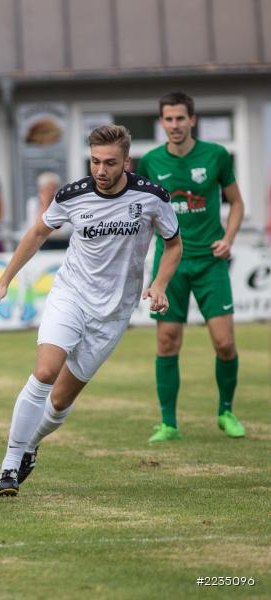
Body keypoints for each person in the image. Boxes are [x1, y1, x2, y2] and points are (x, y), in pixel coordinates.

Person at [0, 125, 181, 496]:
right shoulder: (71, 195)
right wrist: (4, 281)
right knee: (44, 372)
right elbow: (36, 234)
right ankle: (9, 465)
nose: (100, 170)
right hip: (71, 295)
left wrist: (159, 284)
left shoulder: (152, 197)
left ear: (126, 161)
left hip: (113, 312)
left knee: (59, 402)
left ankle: (30, 445)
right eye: (94, 161)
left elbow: (174, 245)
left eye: (110, 163)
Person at [136, 92, 247, 442]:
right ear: (161, 122)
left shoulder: (215, 156)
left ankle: (226, 411)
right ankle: (168, 423)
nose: (174, 125)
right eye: (168, 119)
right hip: (171, 264)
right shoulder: (150, 161)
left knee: (224, 343)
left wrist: (228, 238)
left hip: (211, 263)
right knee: (167, 341)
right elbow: (141, 212)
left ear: (192, 120)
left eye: (180, 118)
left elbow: (237, 203)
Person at [25, 172, 71, 250]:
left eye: (53, 188)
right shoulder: (33, 203)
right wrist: (45, 204)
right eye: (47, 189)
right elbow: (35, 227)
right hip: (41, 243)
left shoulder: (62, 203)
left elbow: (64, 229)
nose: (51, 192)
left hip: (61, 243)